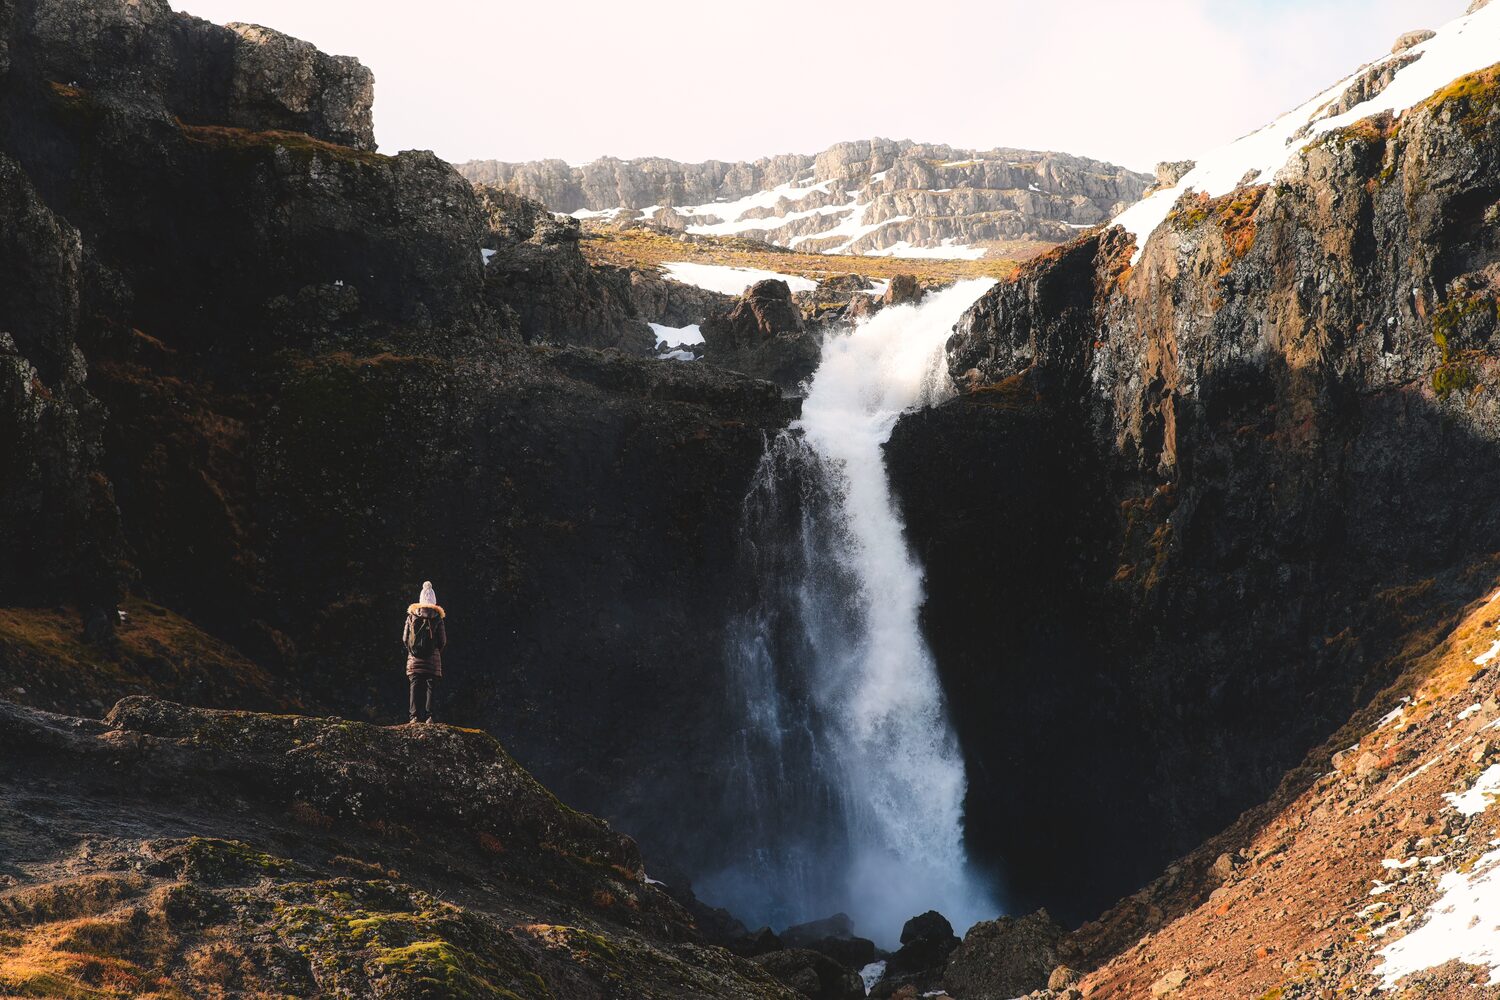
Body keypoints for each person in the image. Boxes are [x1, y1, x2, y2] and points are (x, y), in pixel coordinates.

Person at [403, 581, 447, 724]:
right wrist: (435, 652)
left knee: (414, 686)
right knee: (430, 686)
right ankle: (429, 717)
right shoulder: (437, 618)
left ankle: (413, 717)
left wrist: (413, 651)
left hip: (414, 658)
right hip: (432, 659)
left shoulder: (411, 616)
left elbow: (404, 639)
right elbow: (442, 641)